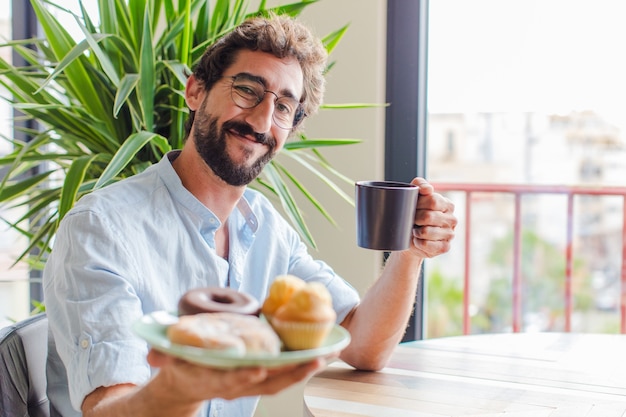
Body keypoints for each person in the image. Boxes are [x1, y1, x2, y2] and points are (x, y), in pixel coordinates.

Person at [43, 13, 457, 417]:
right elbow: (108, 409)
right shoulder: (102, 227)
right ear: (195, 92)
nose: (261, 120)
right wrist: (187, 385)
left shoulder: (264, 227)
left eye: (283, 108)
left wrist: (410, 252)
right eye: (246, 90)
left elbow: (364, 345)